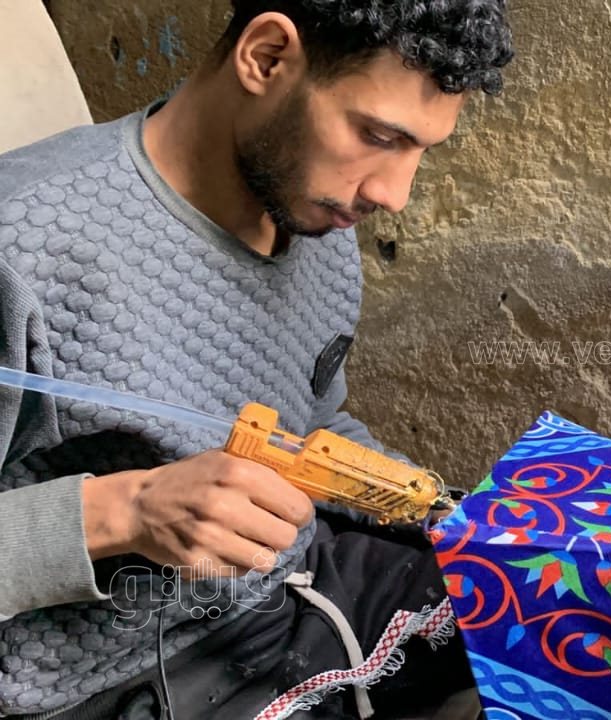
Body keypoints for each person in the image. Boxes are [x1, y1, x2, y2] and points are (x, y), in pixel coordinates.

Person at [0, 1, 513, 718]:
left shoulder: (314, 215)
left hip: (290, 592)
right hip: (104, 676)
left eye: (421, 149)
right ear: (266, 57)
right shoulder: (25, 246)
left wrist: (462, 515)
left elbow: (315, 424)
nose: (393, 193)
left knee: (575, 623)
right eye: (377, 135)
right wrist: (124, 512)